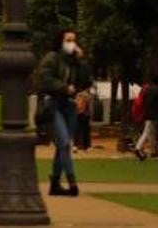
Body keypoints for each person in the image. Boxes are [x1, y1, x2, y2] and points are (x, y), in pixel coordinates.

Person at [37, 28, 91, 197]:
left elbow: (86, 80)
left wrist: (81, 60)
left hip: (70, 105)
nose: (71, 43)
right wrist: (64, 87)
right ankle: (72, 183)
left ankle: (54, 183)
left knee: (62, 146)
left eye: (74, 40)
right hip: (55, 104)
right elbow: (45, 77)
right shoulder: (52, 58)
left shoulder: (75, 62)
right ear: (61, 41)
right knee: (65, 143)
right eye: (68, 40)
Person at [134, 76, 158, 161]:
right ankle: (138, 148)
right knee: (147, 132)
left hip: (146, 114)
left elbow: (143, 101)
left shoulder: (147, 90)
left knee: (151, 133)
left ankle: (152, 151)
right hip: (154, 115)